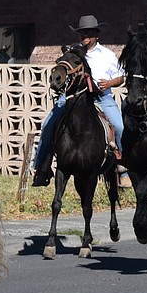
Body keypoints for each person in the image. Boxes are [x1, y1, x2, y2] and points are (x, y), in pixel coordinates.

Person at [31, 16, 125, 187]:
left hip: (101, 97)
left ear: (96, 34)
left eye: (89, 33)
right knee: (48, 125)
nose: (85, 36)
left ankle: (122, 167)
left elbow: (121, 77)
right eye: (82, 33)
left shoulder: (107, 55)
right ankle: (41, 168)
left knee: (119, 126)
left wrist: (110, 83)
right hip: (74, 97)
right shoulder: (72, 52)